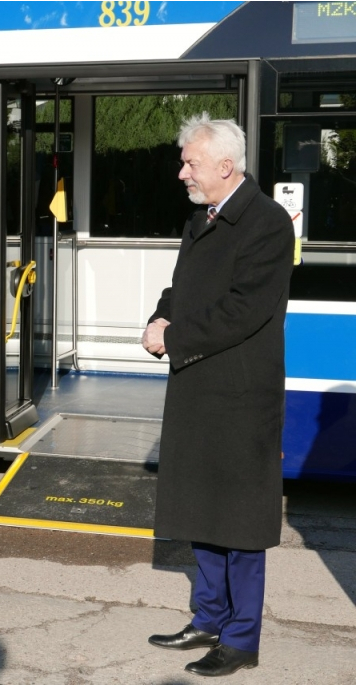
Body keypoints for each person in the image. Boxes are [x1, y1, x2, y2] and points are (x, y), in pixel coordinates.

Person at [143, 114, 293, 677]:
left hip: (239, 398)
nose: (183, 171)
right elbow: (183, 287)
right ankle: (207, 618)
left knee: (239, 525)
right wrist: (161, 314)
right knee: (202, 514)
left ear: (225, 168)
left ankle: (240, 640)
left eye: (191, 163)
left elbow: (243, 310)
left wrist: (173, 337)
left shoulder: (267, 224)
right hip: (199, 391)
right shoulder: (203, 219)